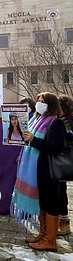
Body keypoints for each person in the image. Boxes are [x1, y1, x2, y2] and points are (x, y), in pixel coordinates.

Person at [12, 92, 66, 251]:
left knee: (50, 204)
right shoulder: (36, 120)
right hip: (38, 170)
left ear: (51, 105)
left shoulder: (55, 123)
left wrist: (33, 141)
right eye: (38, 101)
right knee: (43, 202)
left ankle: (50, 240)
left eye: (43, 102)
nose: (39, 104)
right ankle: (43, 235)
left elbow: (56, 147)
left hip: (49, 171)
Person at [57, 94, 73, 236]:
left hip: (61, 159)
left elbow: (67, 138)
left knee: (60, 192)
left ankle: (64, 223)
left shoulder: (64, 121)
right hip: (62, 159)